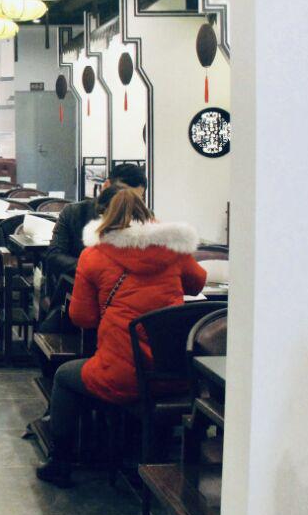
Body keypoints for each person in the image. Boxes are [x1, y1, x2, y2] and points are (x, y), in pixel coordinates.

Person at [35, 186, 206, 487]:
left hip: (124, 374)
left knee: (64, 376)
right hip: (175, 373)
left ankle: (60, 462)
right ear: (148, 216)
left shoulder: (94, 255)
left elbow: (82, 318)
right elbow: (197, 284)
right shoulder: (173, 249)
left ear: (105, 218)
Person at [44, 162, 148, 285]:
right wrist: (97, 269)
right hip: (80, 281)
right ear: (106, 186)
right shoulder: (74, 213)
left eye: (136, 200)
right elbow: (54, 256)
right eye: (123, 196)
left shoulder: (142, 219)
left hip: (125, 287)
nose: (129, 204)